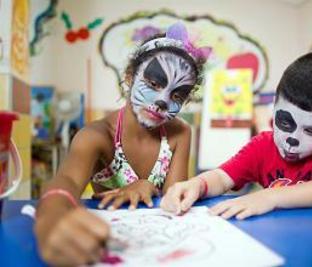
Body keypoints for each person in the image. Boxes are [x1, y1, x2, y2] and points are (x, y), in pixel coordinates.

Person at [34, 22, 210, 266]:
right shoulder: (97, 136)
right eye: (154, 84)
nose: (162, 101)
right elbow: (67, 181)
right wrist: (51, 216)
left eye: (177, 95)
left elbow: (176, 200)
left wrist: (149, 185)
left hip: (161, 247)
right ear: (129, 76)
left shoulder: (180, 133)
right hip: (111, 244)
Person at [161, 52, 312, 221]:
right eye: (285, 122)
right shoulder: (262, 146)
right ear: (275, 106)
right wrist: (197, 184)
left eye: (310, 130)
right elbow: (222, 178)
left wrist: (269, 197)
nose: (292, 140)